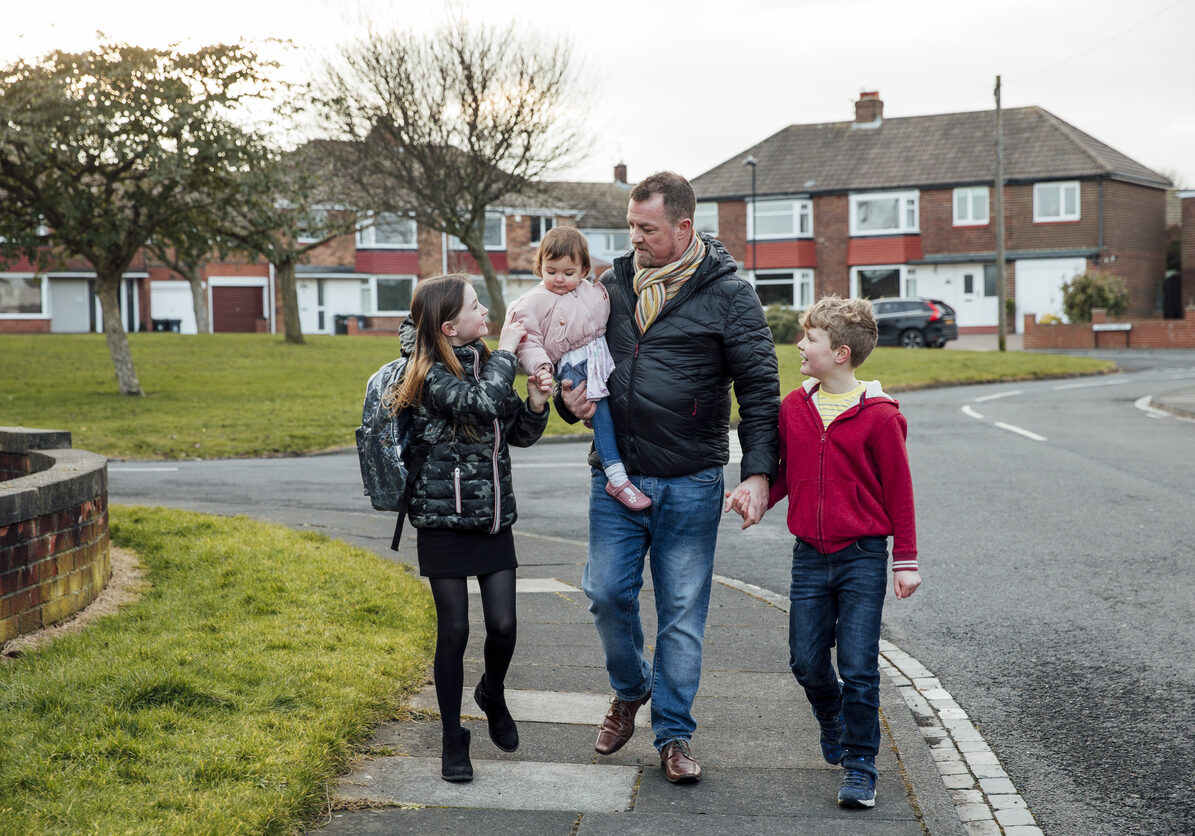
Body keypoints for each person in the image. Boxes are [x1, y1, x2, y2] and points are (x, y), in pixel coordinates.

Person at [558, 171, 780, 784]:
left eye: (646, 229)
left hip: (691, 480)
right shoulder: (609, 287)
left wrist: (758, 472)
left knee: (681, 613)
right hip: (617, 476)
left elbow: (761, 389)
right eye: (631, 227)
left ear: (684, 228)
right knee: (605, 593)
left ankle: (674, 736)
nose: (635, 240)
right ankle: (631, 689)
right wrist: (566, 401)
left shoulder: (731, 294)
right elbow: (576, 361)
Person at [759, 294, 922, 809]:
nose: (800, 345)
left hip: (863, 556)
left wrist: (907, 559)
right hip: (809, 555)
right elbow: (789, 472)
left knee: (859, 665)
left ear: (842, 353)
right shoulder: (794, 407)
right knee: (805, 661)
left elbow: (899, 491)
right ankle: (830, 717)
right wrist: (758, 491)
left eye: (811, 339)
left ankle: (860, 766)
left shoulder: (880, 417)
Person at [390, 273, 551, 783]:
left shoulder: (484, 360)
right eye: (477, 307)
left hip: (491, 517)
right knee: (454, 630)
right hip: (441, 519)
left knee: (503, 626)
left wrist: (536, 402)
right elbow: (477, 404)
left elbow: (513, 433)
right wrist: (507, 353)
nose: (486, 314)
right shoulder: (426, 371)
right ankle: (452, 738)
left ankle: (493, 693)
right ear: (448, 325)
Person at [508, 226, 650, 510]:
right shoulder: (532, 302)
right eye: (551, 271)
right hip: (574, 363)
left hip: (599, 357)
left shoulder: (593, 290)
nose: (559, 279)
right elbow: (528, 341)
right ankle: (615, 474)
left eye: (568, 272)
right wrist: (542, 367)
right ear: (539, 268)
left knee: (619, 403)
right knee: (602, 412)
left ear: (584, 269)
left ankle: (625, 458)